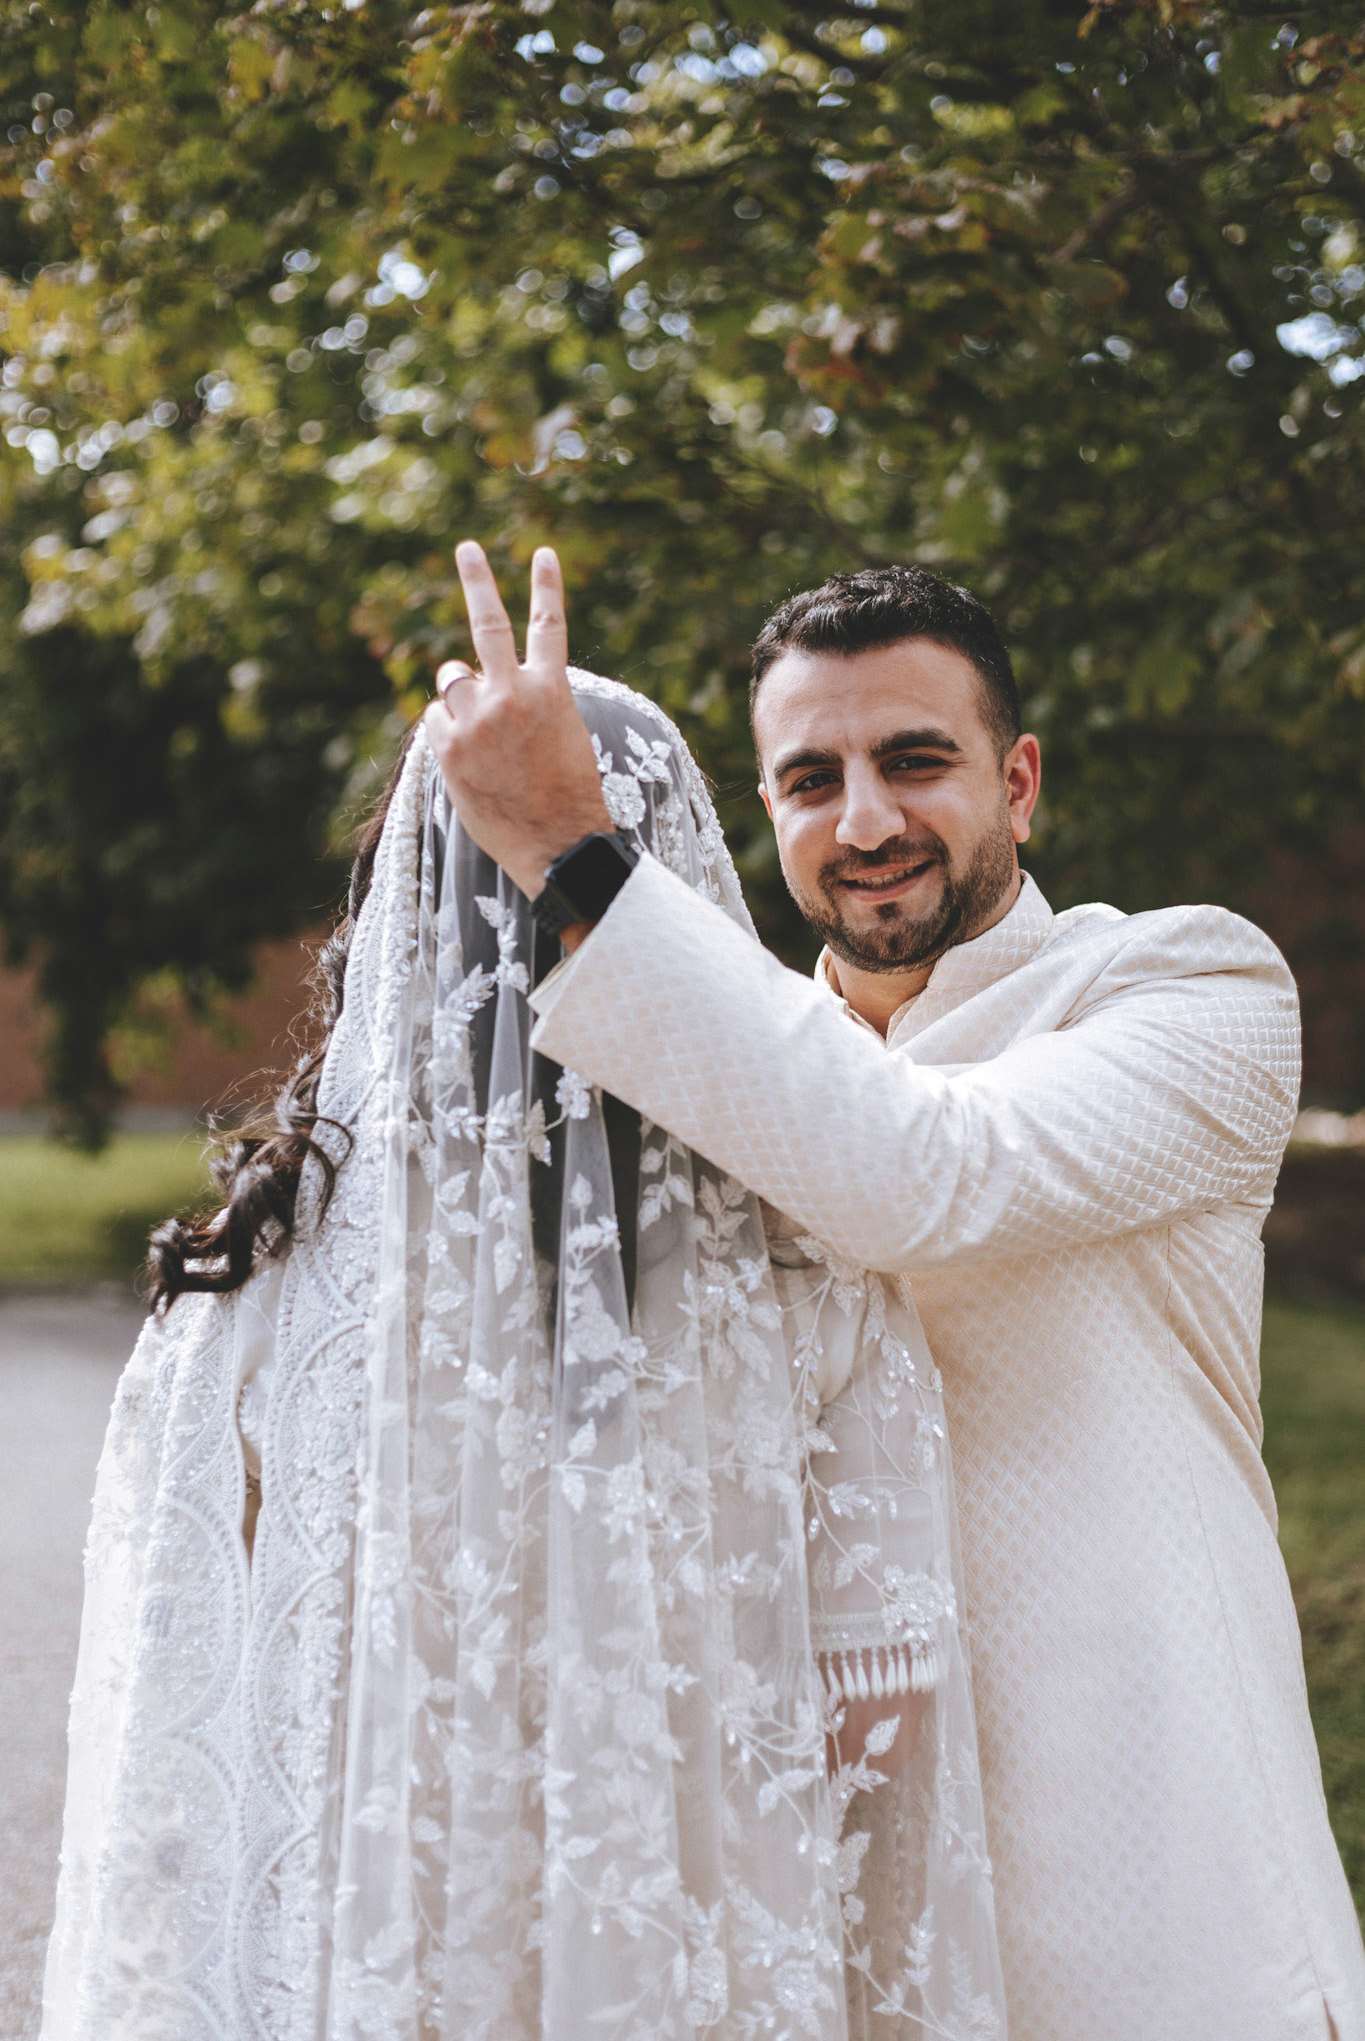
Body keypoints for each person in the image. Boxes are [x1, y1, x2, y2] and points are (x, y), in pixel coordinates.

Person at [424, 541, 1365, 2041]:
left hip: (1159, 1896)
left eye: (914, 761)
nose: (863, 822)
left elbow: (924, 1172)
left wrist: (573, 851)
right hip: (835, 1905)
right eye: (811, 781)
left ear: (1019, 783)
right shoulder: (699, 1065)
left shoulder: (1192, 991)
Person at [41, 672, 1006, 2040]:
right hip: (691, 1965)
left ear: (405, 911)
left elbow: (187, 1752)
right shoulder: (815, 1281)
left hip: (368, 1966)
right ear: (678, 899)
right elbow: (873, 1738)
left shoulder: (246, 1302)